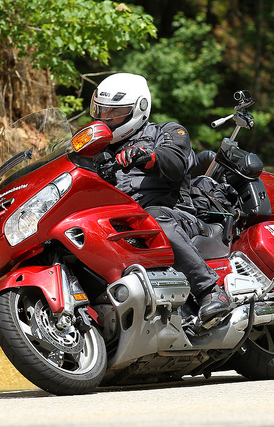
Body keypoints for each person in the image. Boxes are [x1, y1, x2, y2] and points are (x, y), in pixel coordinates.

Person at [90, 73, 231, 326]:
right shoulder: (96, 151)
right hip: (121, 224)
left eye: (115, 112)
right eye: (102, 111)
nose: (106, 119)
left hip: (176, 216)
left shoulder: (167, 131)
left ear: (139, 108)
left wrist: (147, 157)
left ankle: (210, 291)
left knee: (153, 218)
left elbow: (175, 162)